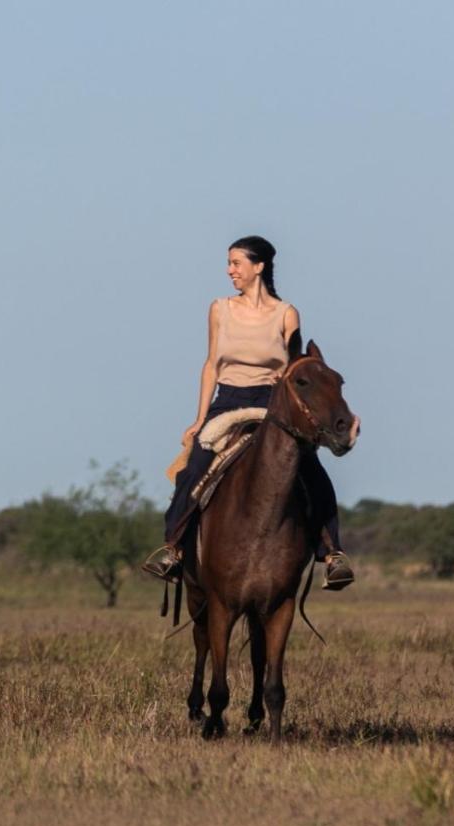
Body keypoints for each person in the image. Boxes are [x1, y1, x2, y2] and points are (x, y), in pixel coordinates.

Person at [142, 236, 354, 591]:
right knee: (194, 467)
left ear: (259, 267)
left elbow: (296, 365)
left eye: (236, 263)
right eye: (229, 263)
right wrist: (199, 418)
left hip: (272, 403)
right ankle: (173, 549)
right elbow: (212, 365)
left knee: (312, 471)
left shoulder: (286, 314)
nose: (230, 270)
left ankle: (332, 554)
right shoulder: (220, 309)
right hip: (228, 400)